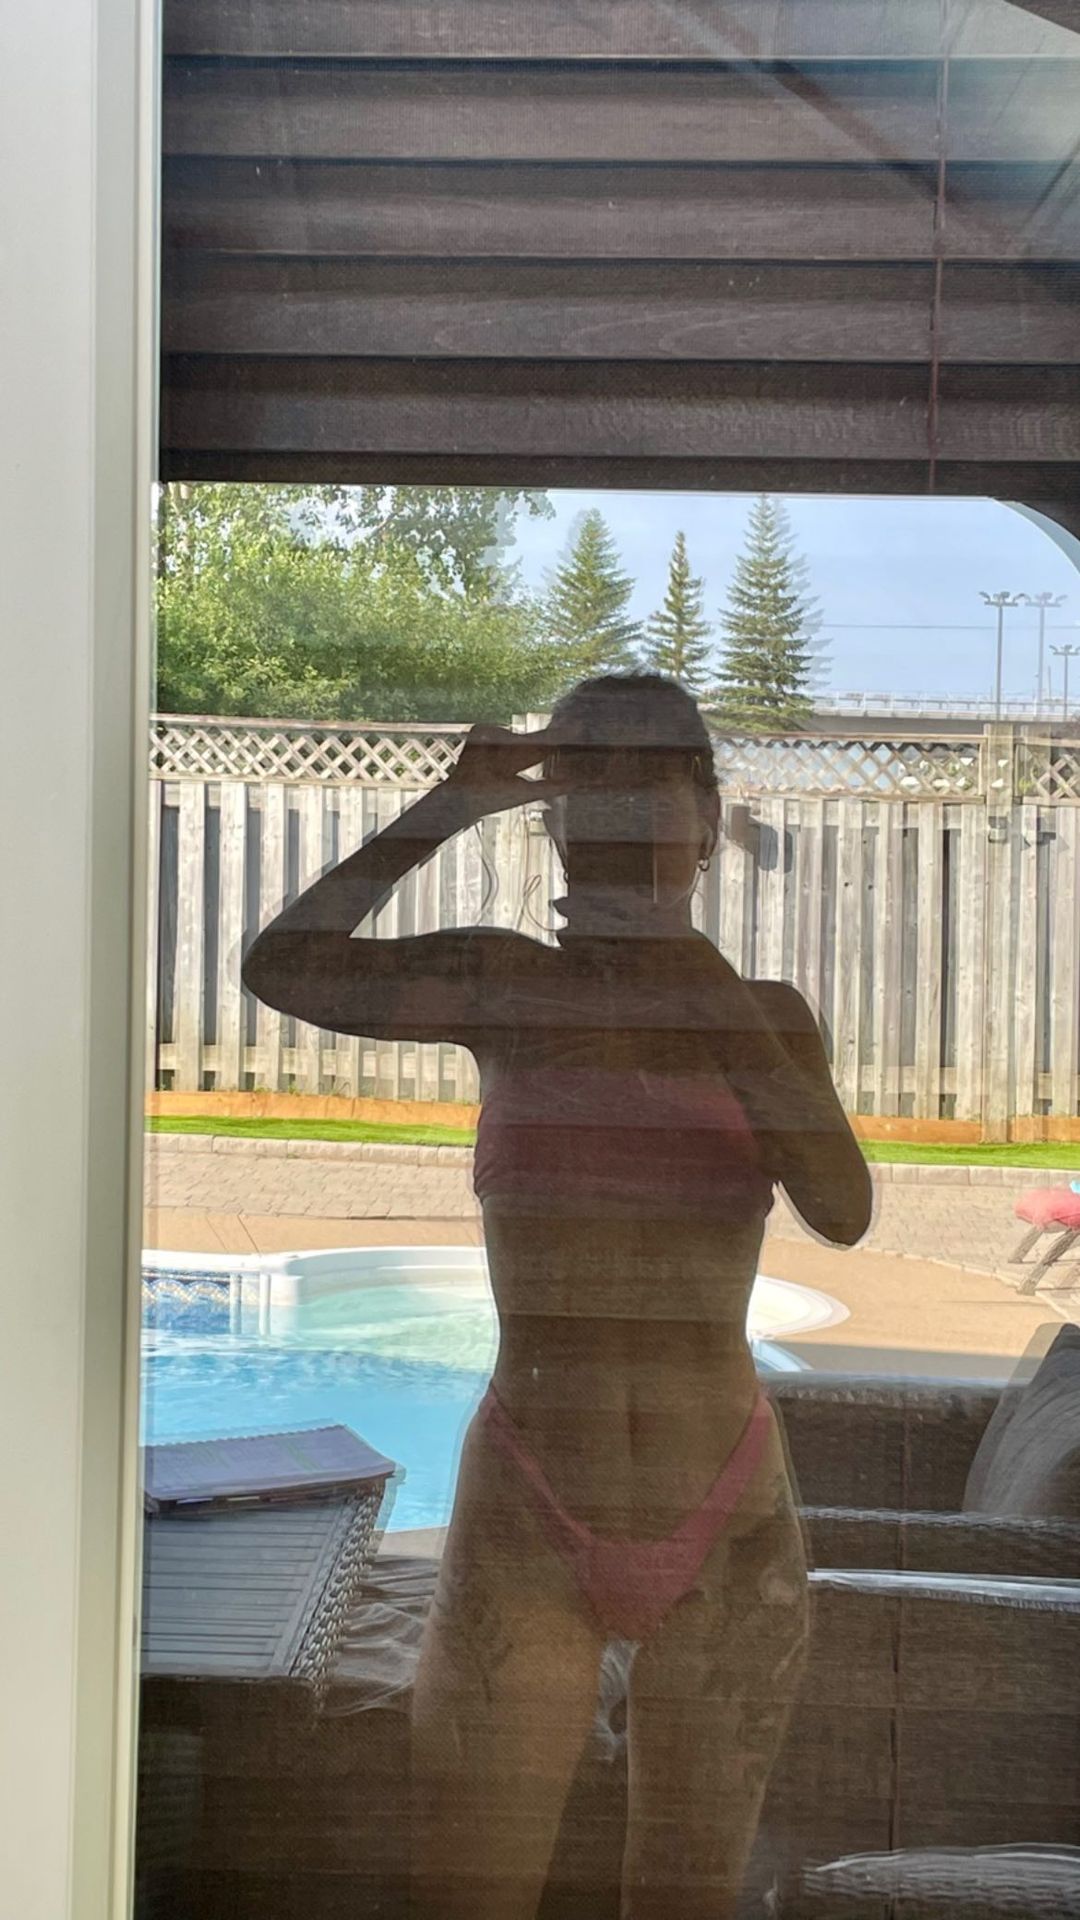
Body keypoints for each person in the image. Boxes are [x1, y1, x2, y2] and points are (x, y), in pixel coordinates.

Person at [242, 673, 871, 1920]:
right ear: (553, 820)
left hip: (726, 1507)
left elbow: (841, 1206)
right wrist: (447, 806)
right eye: (589, 778)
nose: (622, 807)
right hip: (530, 1505)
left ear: (708, 815)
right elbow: (283, 969)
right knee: (467, 1898)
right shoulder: (503, 983)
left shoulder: (764, 1016)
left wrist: (692, 978)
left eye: (654, 779)